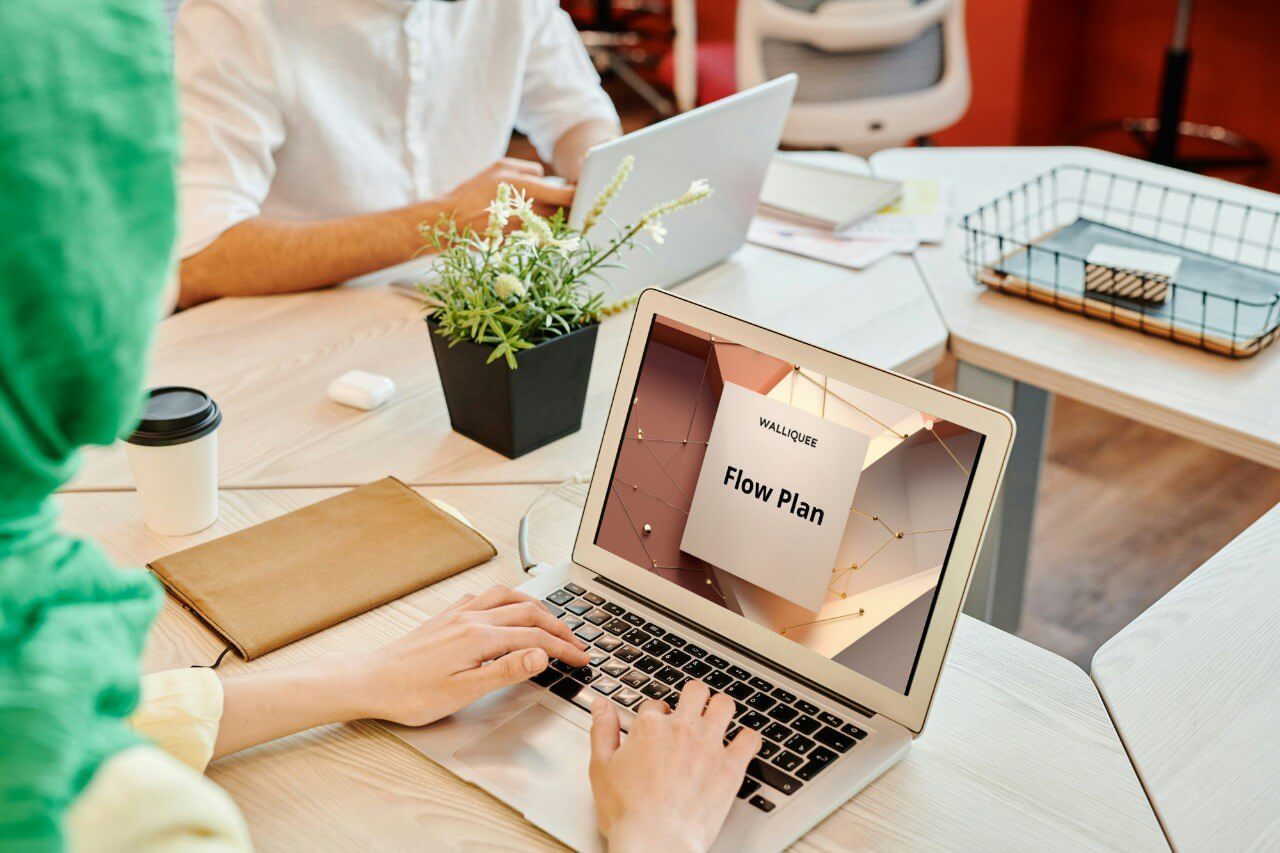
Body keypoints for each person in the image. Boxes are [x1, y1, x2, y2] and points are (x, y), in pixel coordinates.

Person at [0, 3, 759, 850]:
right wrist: (660, 834)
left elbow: (89, 708)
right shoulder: (142, 819)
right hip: (304, 374)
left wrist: (352, 679)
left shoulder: (37, 647)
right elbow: (201, 254)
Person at [173, 0, 621, 307]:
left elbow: (579, 114)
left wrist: (595, 171)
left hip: (470, 304)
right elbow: (198, 257)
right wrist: (443, 223)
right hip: (302, 322)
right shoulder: (238, 17)